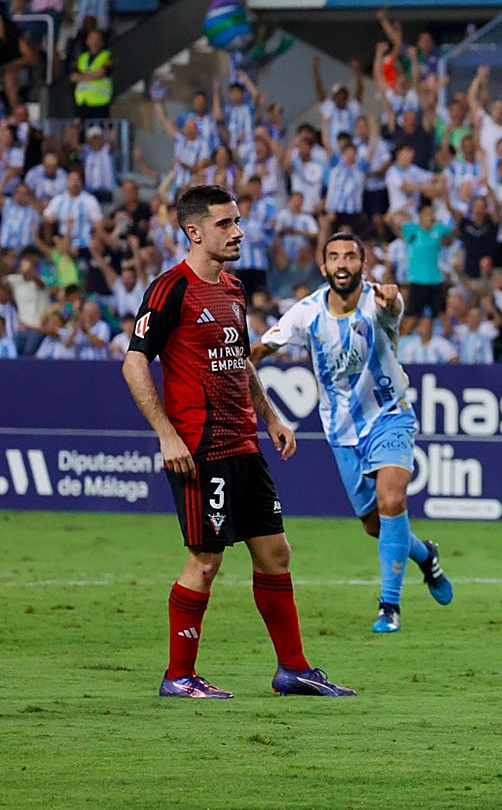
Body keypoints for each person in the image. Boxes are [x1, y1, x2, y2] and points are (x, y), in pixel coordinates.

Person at [122, 184, 355, 698]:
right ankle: (179, 676)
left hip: (244, 444)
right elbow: (134, 362)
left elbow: (241, 358)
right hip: (199, 448)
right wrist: (166, 435)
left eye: (237, 221)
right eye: (225, 224)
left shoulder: (232, 289)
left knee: (275, 552)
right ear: (194, 231)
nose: (238, 231)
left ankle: (293, 669)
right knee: (205, 561)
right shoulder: (170, 289)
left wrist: (271, 418)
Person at [249, 231, 453, 633]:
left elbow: (392, 307)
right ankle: (424, 555)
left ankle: (389, 606)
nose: (343, 264)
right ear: (323, 267)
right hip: (341, 431)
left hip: (391, 414)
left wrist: (392, 300)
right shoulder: (305, 313)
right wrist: (231, 355)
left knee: (392, 499)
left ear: (363, 264)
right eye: (335, 257)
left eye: (351, 257)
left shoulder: (378, 301)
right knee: (375, 526)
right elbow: (260, 349)